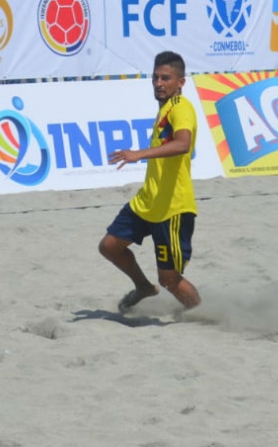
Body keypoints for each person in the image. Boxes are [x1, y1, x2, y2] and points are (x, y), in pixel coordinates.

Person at [100, 51, 201, 313]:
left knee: (169, 280)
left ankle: (203, 315)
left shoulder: (181, 108)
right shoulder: (165, 110)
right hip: (148, 201)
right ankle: (143, 287)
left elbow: (183, 144)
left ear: (181, 82)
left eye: (166, 78)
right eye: (155, 77)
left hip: (172, 208)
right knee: (109, 246)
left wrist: (138, 154)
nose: (158, 83)